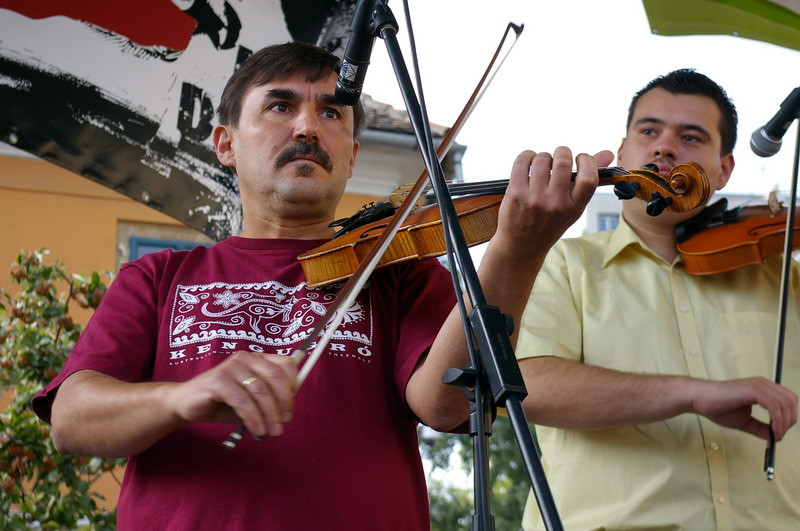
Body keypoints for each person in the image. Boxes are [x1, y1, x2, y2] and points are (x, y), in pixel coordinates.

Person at [31, 42, 612, 529]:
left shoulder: (399, 272)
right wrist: (182, 397)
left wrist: (518, 247)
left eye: (332, 113)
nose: (309, 125)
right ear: (226, 143)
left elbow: (445, 403)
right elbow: (73, 420)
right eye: (280, 106)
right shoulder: (158, 277)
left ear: (352, 154)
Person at [516, 68, 800, 530]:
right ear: (624, 150)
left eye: (691, 137)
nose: (665, 147)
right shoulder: (560, 263)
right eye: (649, 131)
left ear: (724, 169)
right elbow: (529, 384)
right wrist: (692, 394)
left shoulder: (782, 276)